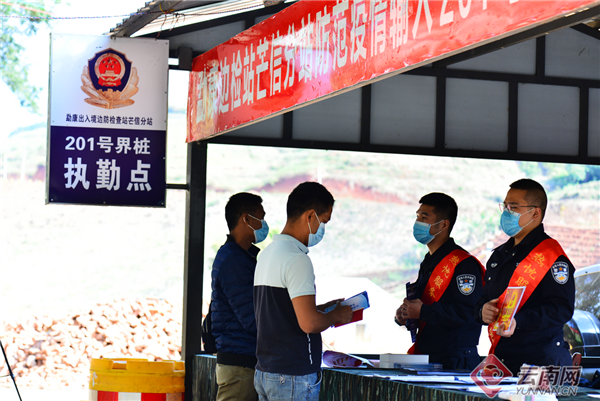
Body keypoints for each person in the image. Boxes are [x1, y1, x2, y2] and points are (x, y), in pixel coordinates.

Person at [253, 182, 353, 401]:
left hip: (266, 371)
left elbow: (281, 311)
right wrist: (336, 315)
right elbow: (308, 323)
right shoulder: (297, 259)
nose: (322, 229)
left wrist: (322, 309)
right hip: (292, 376)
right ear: (310, 216)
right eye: (323, 221)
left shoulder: (268, 254)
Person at [476, 179, 575, 376]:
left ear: (535, 213)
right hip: (503, 360)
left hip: (542, 363)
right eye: (505, 206)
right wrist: (482, 311)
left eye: (513, 207)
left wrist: (519, 321)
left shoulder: (552, 257)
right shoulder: (498, 255)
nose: (506, 212)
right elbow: (484, 298)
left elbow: (561, 309)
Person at [396, 192, 485, 370]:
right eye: (417, 217)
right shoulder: (429, 260)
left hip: (455, 359)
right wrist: (406, 314)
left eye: (424, 217)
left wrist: (423, 311)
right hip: (430, 354)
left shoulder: (464, 264)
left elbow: (468, 313)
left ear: (443, 225)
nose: (418, 222)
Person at [211, 192, 269, 401]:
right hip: (240, 364)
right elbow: (251, 318)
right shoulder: (234, 261)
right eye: (261, 218)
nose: (264, 224)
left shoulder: (239, 257)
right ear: (246, 219)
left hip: (241, 360)